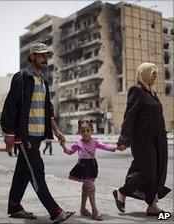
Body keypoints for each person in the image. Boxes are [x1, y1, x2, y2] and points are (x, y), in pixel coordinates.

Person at [0, 43, 75, 223]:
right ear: (32, 56)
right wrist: (9, 132)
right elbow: (10, 105)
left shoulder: (43, 80)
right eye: (42, 55)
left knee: (23, 172)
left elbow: (47, 110)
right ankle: (55, 211)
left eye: (47, 56)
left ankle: (14, 206)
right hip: (25, 134)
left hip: (38, 134)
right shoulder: (22, 77)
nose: (45, 59)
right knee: (37, 170)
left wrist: (56, 130)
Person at [113, 62, 171, 216]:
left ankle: (152, 205)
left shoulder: (151, 93)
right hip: (143, 140)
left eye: (156, 74)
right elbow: (129, 116)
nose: (156, 77)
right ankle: (122, 192)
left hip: (158, 139)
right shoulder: (137, 90)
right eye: (153, 74)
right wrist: (123, 140)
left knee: (157, 171)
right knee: (148, 170)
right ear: (144, 73)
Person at [60, 119, 122, 220]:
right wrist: (63, 145)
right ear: (79, 132)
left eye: (88, 130)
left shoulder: (95, 142)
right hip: (82, 167)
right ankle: (94, 211)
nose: (85, 133)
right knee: (91, 188)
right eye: (83, 131)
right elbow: (70, 151)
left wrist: (116, 147)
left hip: (92, 166)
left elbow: (105, 146)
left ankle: (83, 209)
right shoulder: (78, 142)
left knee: (86, 188)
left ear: (92, 131)